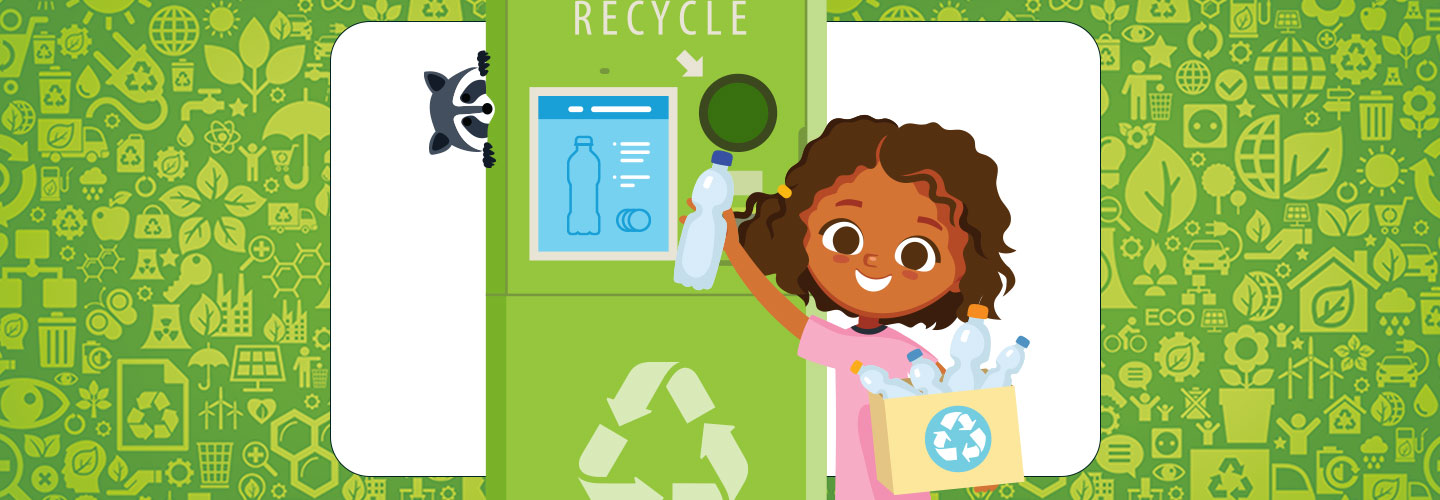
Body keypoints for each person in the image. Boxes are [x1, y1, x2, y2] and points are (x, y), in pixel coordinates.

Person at [687, 117, 1017, 499]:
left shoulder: (913, 360)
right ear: (800, 233)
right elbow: (782, 311)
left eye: (914, 253)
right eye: (845, 237)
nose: (873, 261)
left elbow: (966, 431)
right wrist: (734, 247)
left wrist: (983, 470)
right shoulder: (853, 347)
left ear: (961, 270)